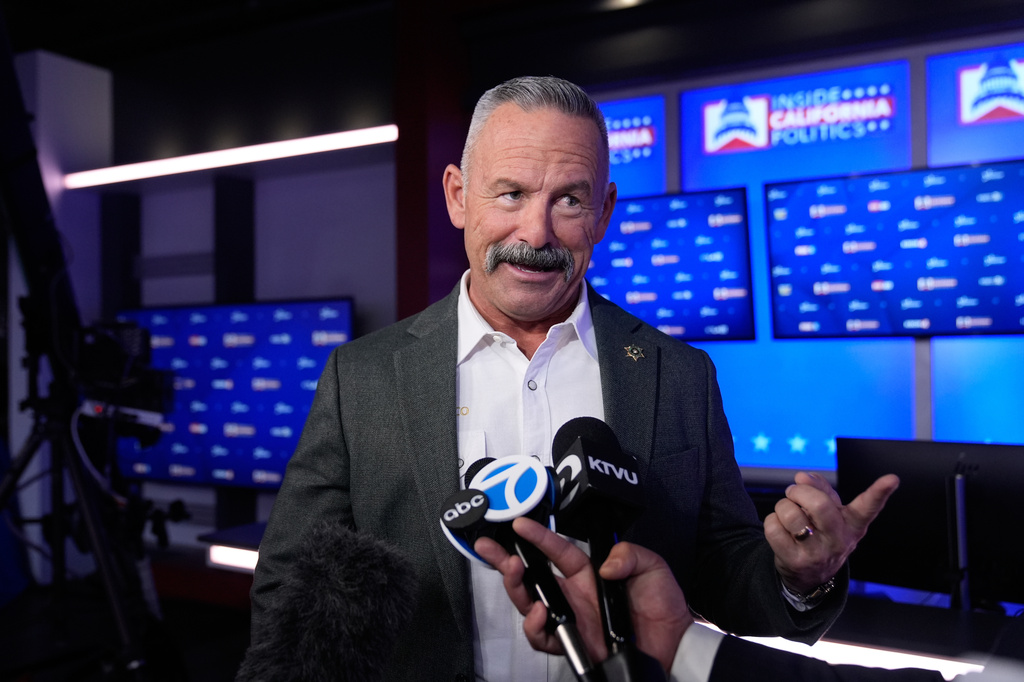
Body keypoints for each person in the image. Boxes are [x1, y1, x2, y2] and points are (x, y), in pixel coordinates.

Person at [249, 75, 896, 681]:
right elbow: (289, 588)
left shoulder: (679, 375)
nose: (536, 232)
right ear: (456, 196)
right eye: (511, 193)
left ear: (604, 212)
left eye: (569, 199)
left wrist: (797, 575)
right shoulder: (359, 377)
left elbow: (721, 567)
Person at [476, 516, 1024, 682]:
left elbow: (725, 556)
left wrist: (678, 649)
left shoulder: (680, 366)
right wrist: (683, 647)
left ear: (599, 230)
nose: (536, 233)